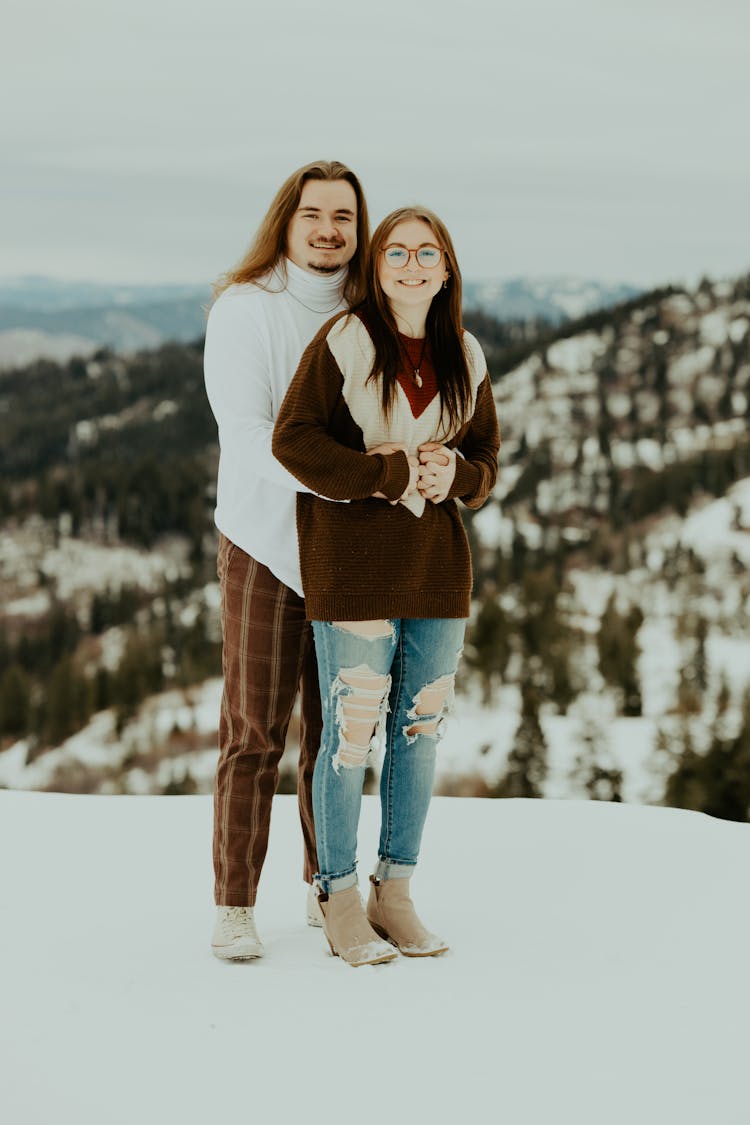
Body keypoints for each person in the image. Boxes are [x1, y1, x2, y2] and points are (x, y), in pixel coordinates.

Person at [272, 206, 500, 966]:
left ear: (445, 267)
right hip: (354, 565)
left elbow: (486, 460)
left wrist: (457, 474)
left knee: (420, 728)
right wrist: (387, 471)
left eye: (425, 252)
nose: (410, 264)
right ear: (377, 267)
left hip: (436, 567)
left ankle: (393, 892)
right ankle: (336, 896)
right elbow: (293, 440)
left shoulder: (464, 352)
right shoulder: (343, 341)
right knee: (350, 732)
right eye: (395, 252)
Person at [203, 160, 370, 960]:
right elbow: (245, 431)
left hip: (347, 554)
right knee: (253, 732)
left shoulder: (368, 312)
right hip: (265, 544)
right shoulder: (247, 309)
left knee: (338, 731)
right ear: (288, 220)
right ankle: (235, 903)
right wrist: (346, 482)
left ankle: (326, 882)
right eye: (314, 214)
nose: (329, 228)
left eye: (344, 215)